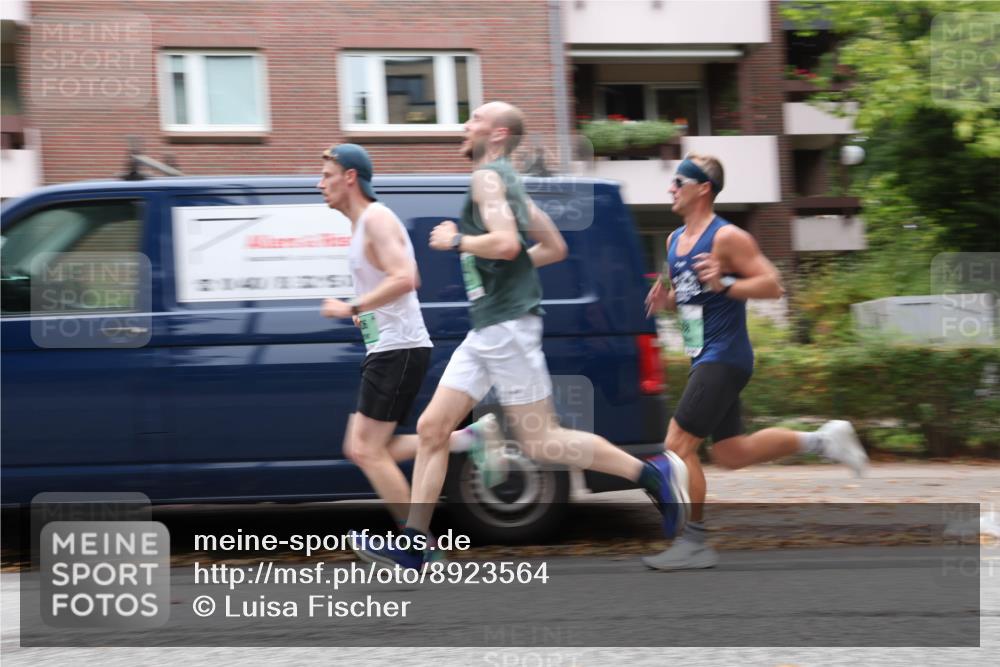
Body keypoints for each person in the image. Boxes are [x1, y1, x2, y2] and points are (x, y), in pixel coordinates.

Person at [356, 102, 690, 570]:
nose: (464, 126)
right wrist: (505, 276)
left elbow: (507, 243)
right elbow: (554, 247)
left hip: (506, 327)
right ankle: (416, 543)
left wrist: (458, 241)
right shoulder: (509, 180)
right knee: (434, 429)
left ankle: (651, 472)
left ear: (496, 134)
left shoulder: (488, 178)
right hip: (491, 324)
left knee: (541, 442)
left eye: (472, 119)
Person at [641, 154, 869, 571]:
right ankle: (824, 440)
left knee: (677, 446)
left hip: (725, 356)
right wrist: (667, 301)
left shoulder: (727, 236)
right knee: (730, 453)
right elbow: (693, 298)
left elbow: (772, 286)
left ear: (702, 187)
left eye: (678, 181)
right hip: (703, 356)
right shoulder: (675, 240)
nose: (670, 188)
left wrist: (726, 281)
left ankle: (694, 543)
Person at [317, 143, 499, 533]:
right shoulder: (361, 225)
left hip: (398, 350)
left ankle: (418, 544)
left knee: (366, 449)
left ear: (350, 177)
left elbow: (406, 278)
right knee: (363, 447)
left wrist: (352, 306)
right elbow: (387, 287)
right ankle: (470, 439)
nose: (320, 185)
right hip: (389, 347)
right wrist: (365, 314)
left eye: (327, 176)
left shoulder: (376, 219)